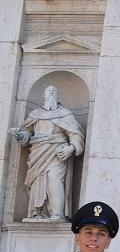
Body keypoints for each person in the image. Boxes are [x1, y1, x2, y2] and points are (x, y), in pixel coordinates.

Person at [8, 85, 86, 220]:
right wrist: (21, 135)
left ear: (57, 96)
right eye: (48, 91)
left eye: (53, 92)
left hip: (57, 152)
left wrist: (71, 148)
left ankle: (57, 214)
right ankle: (38, 212)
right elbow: (27, 133)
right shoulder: (36, 114)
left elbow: (75, 133)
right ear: (44, 95)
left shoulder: (64, 113)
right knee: (38, 181)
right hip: (38, 152)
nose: (51, 93)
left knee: (54, 179)